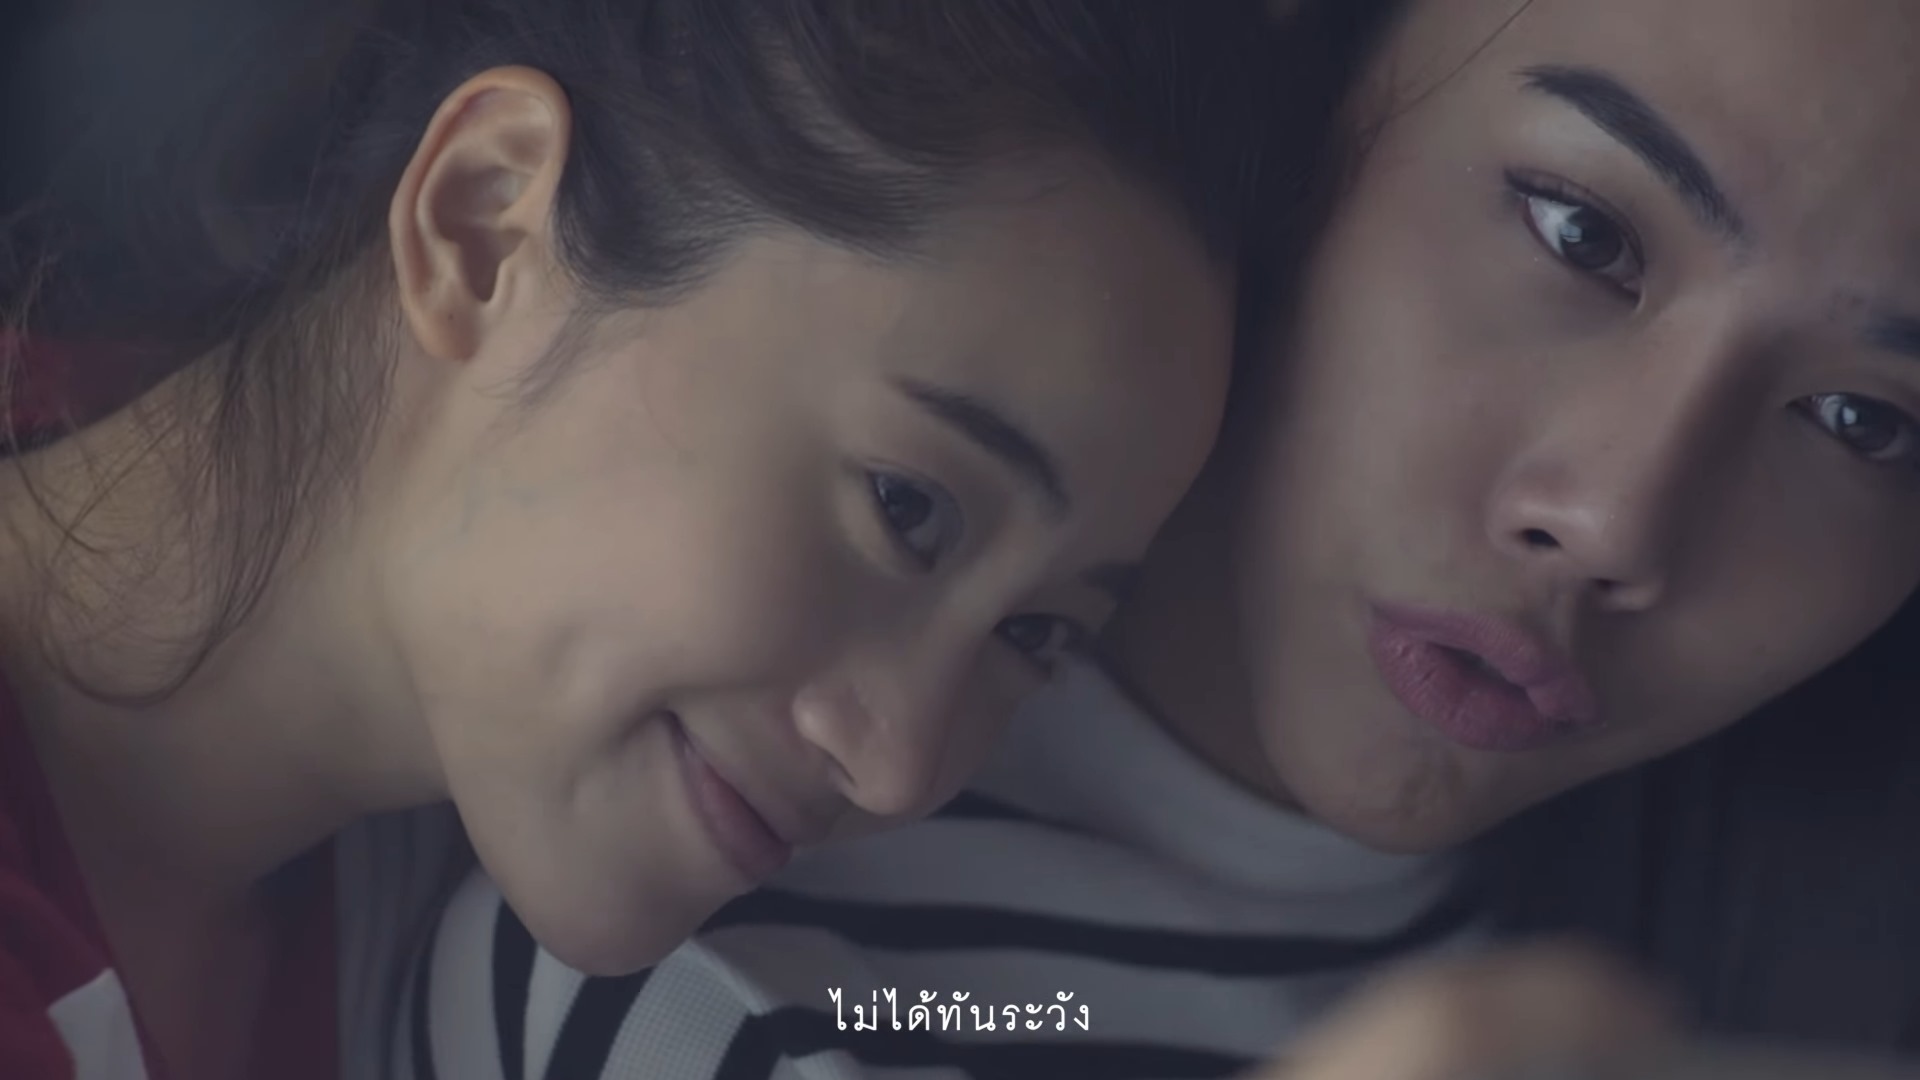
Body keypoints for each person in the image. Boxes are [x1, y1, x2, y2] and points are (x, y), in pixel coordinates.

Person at [415, 0, 1920, 1077]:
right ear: (1316, 91)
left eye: (1866, 423)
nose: (1612, 522)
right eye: (1578, 231)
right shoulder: (694, 953)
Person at [0, 2, 1304, 1078]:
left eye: (1036, 633)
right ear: (485, 226)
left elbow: (977, 1013)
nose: (901, 771)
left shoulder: (403, 865)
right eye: (905, 508)